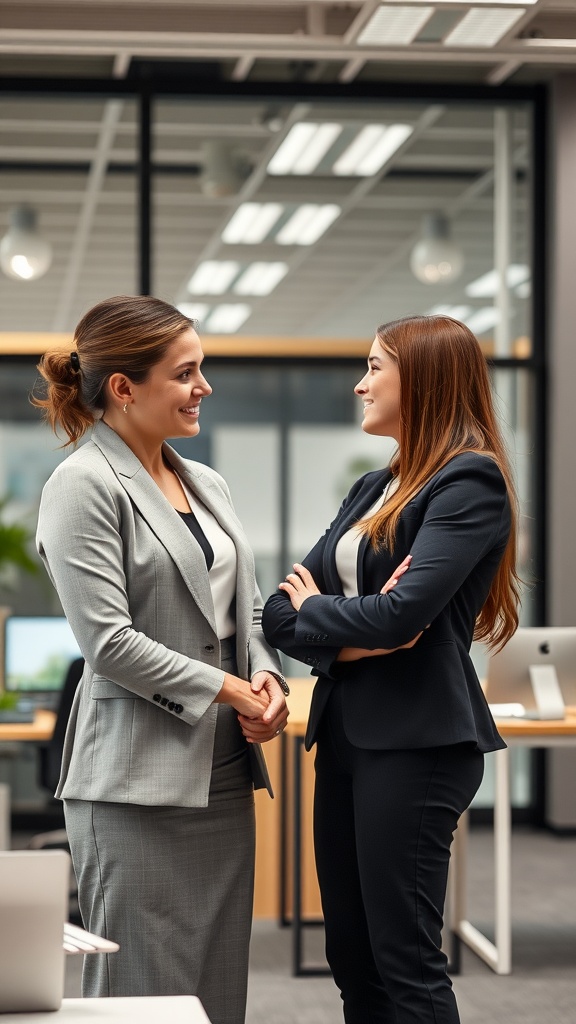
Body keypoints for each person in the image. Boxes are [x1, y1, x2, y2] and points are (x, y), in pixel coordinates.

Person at [34, 294, 289, 1024]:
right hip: (133, 787)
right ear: (124, 387)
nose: (203, 387)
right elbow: (108, 644)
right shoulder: (81, 485)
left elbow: (249, 606)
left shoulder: (207, 483)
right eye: (186, 373)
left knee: (217, 985)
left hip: (221, 776)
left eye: (201, 370)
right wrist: (234, 692)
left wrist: (266, 676)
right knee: (140, 991)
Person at [262, 314, 520, 1024]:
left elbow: (403, 616)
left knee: (403, 960)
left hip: (417, 744)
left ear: (424, 378)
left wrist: (357, 617)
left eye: (375, 367)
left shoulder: (468, 481)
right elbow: (277, 613)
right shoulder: (378, 485)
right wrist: (363, 630)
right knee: (352, 956)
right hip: (346, 737)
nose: (360, 382)